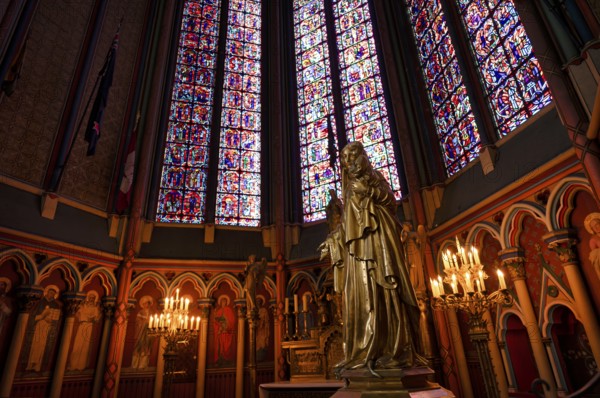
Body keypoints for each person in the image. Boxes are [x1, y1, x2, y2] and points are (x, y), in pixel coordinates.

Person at [319, 141, 427, 377]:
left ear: (362, 157)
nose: (349, 162)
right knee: (362, 294)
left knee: (385, 288)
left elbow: (390, 200)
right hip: (357, 252)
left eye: (352, 156)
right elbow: (347, 223)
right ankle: (365, 350)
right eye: (345, 160)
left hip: (380, 242)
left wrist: (368, 191)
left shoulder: (374, 177)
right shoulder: (348, 189)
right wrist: (333, 240)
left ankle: (392, 349)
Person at [26, 285, 61, 371]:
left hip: (48, 327)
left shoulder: (55, 305)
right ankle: (30, 364)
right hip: (39, 325)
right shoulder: (40, 302)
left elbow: (56, 318)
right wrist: (42, 316)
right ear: (46, 293)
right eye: (50, 293)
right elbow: (33, 316)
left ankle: (38, 365)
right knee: (35, 344)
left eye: (53, 293)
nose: (51, 295)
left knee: (43, 345)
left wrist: (52, 321)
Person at [68, 290, 101, 371]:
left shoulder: (96, 308)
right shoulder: (83, 306)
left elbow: (97, 318)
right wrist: (84, 317)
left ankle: (82, 366)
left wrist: (94, 317)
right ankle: (73, 365)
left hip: (89, 327)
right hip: (82, 325)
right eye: (90, 298)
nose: (91, 299)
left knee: (86, 347)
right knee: (78, 344)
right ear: (87, 298)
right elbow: (77, 314)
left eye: (93, 298)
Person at [131, 295, 153, 369]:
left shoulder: (151, 313)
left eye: (148, 303)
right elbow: (138, 322)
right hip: (140, 332)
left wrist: (149, 323)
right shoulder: (141, 312)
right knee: (138, 347)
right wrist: (144, 322)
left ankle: (143, 365)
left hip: (148, 333)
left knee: (146, 348)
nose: (146, 305)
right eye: (145, 303)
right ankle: (135, 365)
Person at [213, 295, 235, 365]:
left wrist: (226, 322)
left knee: (226, 346)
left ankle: (226, 359)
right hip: (220, 331)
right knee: (220, 345)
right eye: (222, 301)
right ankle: (220, 358)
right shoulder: (219, 311)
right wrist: (218, 323)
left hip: (227, 331)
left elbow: (232, 320)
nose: (223, 303)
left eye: (225, 301)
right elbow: (215, 321)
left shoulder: (228, 310)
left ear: (226, 302)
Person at [585, 212, 600, 281]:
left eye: (597, 224)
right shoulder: (593, 240)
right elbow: (594, 257)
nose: (596, 227)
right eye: (593, 227)